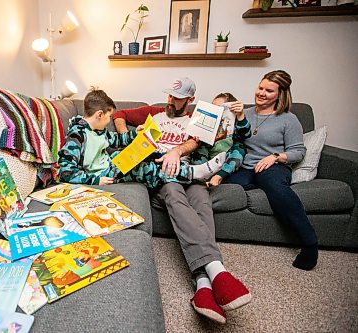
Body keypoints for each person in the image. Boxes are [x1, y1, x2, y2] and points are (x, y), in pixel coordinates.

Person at [113, 78, 251, 324]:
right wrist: (128, 136)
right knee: (175, 196)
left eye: (176, 97)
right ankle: (216, 272)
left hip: (189, 170)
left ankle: (203, 287)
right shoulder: (154, 115)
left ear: (189, 100)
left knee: (201, 200)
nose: (169, 100)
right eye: (168, 95)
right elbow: (119, 113)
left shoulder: (196, 120)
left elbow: (195, 141)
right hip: (164, 175)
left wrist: (176, 151)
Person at [222, 70, 318, 271]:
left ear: (280, 95)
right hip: (246, 166)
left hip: (273, 166)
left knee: (277, 189)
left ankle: (309, 244)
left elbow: (298, 151)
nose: (261, 93)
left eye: (269, 90)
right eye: (260, 87)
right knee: (222, 185)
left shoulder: (288, 119)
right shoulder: (244, 114)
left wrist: (274, 157)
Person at [58, 87, 226, 189]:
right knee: (145, 169)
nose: (110, 120)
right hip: (102, 174)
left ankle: (188, 171)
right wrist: (95, 180)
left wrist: (137, 134)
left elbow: (118, 140)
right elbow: (66, 172)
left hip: (111, 164)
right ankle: (195, 173)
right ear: (99, 114)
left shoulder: (99, 131)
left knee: (149, 158)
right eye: (109, 117)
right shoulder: (77, 136)